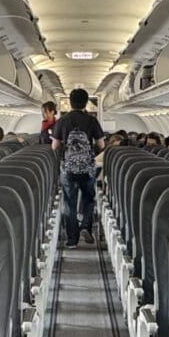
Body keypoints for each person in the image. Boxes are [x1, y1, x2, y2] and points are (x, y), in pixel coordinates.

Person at [49, 87, 104, 249]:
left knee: (69, 201)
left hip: (68, 167)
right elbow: (101, 144)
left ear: (70, 102)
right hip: (87, 167)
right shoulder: (92, 120)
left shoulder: (62, 121)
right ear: (86, 102)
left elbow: (54, 146)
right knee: (88, 198)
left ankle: (72, 239)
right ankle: (86, 226)